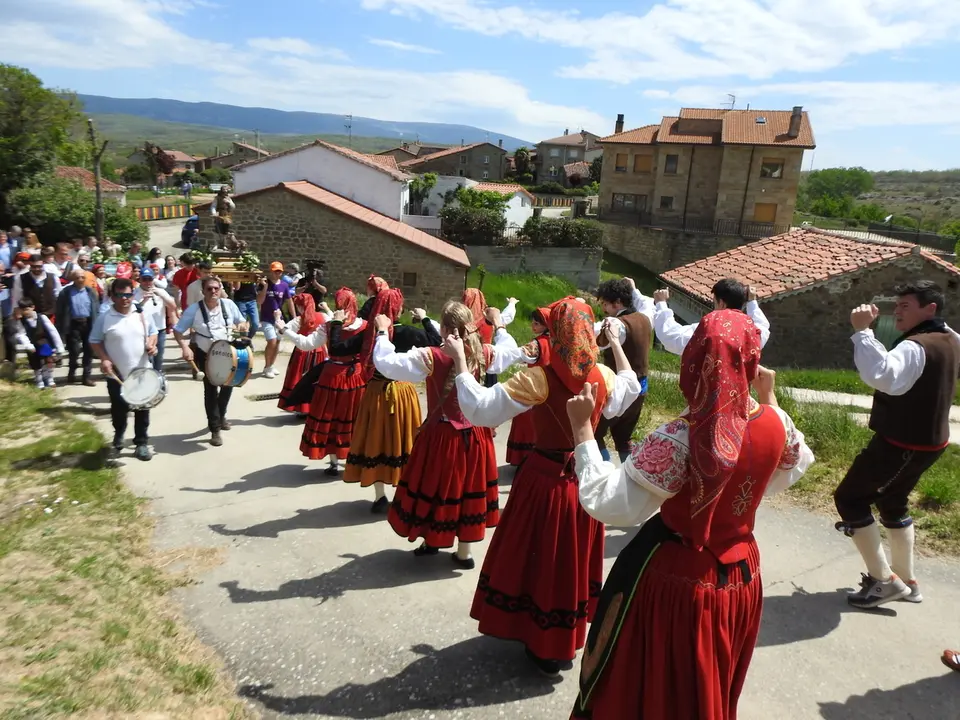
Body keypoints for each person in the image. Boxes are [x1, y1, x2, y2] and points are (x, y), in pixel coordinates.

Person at [567, 311, 813, 718]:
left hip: (680, 579)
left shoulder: (681, 435)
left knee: (659, 684)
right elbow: (790, 468)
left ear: (694, 361)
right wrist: (770, 401)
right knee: (710, 676)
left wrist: (582, 432)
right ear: (752, 361)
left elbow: (610, 505)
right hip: (742, 571)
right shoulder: (778, 422)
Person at [453, 297, 640, 676]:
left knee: (540, 557)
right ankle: (559, 640)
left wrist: (460, 364)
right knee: (568, 559)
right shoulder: (601, 376)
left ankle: (539, 637)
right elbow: (629, 388)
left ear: (554, 332)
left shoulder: (540, 377)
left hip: (544, 479)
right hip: (587, 477)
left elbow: (481, 409)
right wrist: (617, 347)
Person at [835, 281, 960, 609]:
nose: (897, 312)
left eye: (906, 306)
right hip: (931, 441)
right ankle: (907, 581)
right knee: (893, 502)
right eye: (898, 305)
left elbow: (883, 376)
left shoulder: (916, 346)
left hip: (902, 443)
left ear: (929, 309)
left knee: (850, 499)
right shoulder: (952, 338)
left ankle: (884, 581)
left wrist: (863, 332)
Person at [373, 301, 518, 565]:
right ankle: (464, 553)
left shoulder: (431, 356)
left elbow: (386, 363)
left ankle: (433, 541)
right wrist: (499, 325)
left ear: (443, 328)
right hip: (476, 436)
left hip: (442, 436)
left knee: (438, 489)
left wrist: (382, 331)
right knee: (467, 491)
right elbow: (511, 351)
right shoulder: (484, 353)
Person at [343, 279, 442, 511]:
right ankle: (403, 492)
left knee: (376, 440)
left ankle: (380, 497)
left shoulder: (368, 335)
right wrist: (426, 319)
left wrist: (336, 324)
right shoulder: (409, 332)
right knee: (403, 440)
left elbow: (338, 349)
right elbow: (437, 344)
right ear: (398, 309)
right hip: (403, 392)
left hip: (376, 393)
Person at [277, 288, 367, 476]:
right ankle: (353, 458)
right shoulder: (364, 325)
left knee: (330, 417)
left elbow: (306, 344)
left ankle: (334, 462)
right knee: (353, 418)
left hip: (332, 377)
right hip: (356, 377)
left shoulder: (329, 325)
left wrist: (286, 331)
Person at [89, 278, 158, 461]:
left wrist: (152, 344)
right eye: (120, 295)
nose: (125, 298)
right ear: (112, 296)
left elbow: (153, 332)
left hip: (142, 372)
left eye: (128, 294)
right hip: (117, 374)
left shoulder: (141, 313)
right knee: (119, 409)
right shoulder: (105, 317)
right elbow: (94, 340)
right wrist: (104, 358)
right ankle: (119, 435)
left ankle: (141, 443)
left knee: (143, 409)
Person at [173, 276, 246, 447]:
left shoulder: (228, 305)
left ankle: (220, 416)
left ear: (221, 288)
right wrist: (185, 347)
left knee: (228, 385)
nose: (213, 291)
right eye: (209, 289)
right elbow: (177, 331)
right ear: (203, 291)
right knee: (211, 390)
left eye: (216, 288)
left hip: (229, 354)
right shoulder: (194, 310)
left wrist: (242, 326)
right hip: (205, 354)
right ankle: (215, 429)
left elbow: (241, 320)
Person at [593, 277, 654, 462]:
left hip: (619, 389)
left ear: (618, 302)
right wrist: (634, 288)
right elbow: (648, 303)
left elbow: (593, 333)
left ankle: (605, 475)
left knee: (595, 433)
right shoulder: (646, 317)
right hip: (641, 388)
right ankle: (628, 478)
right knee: (623, 438)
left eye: (605, 303)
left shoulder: (616, 324)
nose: (603, 309)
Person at [652, 279, 771, 355]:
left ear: (722, 303)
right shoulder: (752, 333)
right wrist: (752, 301)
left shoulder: (707, 329)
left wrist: (661, 303)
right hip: (741, 394)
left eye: (714, 302)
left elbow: (670, 337)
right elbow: (763, 325)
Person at [505, 307, 552, 466]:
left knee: (525, 421)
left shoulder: (537, 344)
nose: (533, 325)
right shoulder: (556, 341)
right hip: (550, 388)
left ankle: (524, 459)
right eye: (533, 321)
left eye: (537, 323)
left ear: (546, 325)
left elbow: (516, 355)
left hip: (533, 387)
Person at [277, 293, 330, 415]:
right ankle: (315, 406)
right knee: (317, 379)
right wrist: (327, 309)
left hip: (302, 353)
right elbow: (332, 321)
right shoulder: (323, 316)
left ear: (300, 307)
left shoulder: (298, 320)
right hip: (320, 352)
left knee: (300, 378)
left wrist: (277, 318)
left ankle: (302, 408)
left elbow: (280, 333)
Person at [459, 288, 517, 386]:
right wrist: (512, 303)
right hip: (488, 358)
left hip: (466, 362)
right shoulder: (489, 319)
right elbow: (507, 316)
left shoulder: (460, 320)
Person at [56, 267, 100, 385]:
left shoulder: (91, 292)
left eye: (82, 277)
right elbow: (59, 310)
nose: (80, 279)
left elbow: (96, 309)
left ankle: (86, 377)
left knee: (88, 351)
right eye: (77, 277)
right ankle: (72, 373)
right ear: (73, 279)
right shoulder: (65, 292)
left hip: (88, 323)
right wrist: (60, 327)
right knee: (74, 351)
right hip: (73, 324)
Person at [14, 298, 65, 389]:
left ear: (32, 307)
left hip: (43, 342)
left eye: (26, 309)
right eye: (22, 310)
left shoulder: (41, 317)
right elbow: (21, 334)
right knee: (35, 363)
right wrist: (28, 345)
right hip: (32, 344)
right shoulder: (21, 321)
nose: (25, 312)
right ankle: (39, 379)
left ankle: (49, 378)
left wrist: (59, 347)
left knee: (47, 361)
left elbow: (52, 331)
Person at [134, 267, 177, 374]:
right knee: (147, 360)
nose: (147, 282)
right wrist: (143, 301)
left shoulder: (160, 291)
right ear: (140, 280)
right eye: (144, 279)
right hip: (144, 331)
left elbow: (173, 306)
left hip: (160, 330)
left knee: (158, 360)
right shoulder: (135, 293)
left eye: (150, 279)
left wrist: (161, 294)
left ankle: (158, 381)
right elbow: (133, 311)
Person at [258, 261, 294, 379]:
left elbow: (289, 301)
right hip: (266, 317)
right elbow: (259, 301)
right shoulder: (264, 283)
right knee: (272, 341)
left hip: (278, 318)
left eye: (279, 271)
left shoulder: (284, 285)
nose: (277, 274)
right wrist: (265, 288)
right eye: (275, 271)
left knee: (277, 342)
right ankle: (267, 367)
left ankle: (271, 365)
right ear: (271, 271)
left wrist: (294, 317)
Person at [11, 254, 61, 318]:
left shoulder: (53, 277)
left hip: (51, 314)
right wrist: (17, 311)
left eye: (39, 266)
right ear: (29, 265)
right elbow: (17, 297)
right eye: (33, 266)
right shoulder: (21, 278)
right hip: (30, 315)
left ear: (43, 264)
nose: (36, 269)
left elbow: (58, 294)